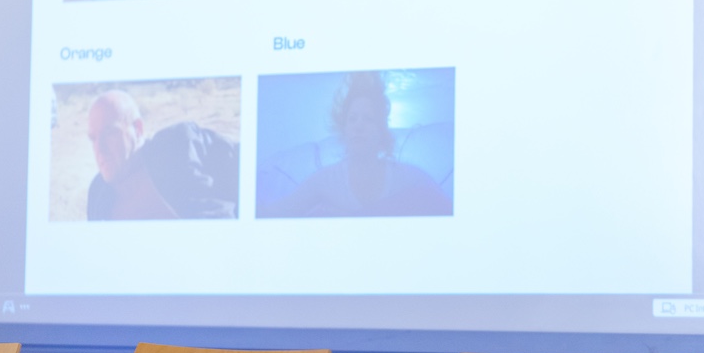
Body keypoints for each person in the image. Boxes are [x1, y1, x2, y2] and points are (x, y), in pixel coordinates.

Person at [260, 72, 451, 218]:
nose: (358, 125)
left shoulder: (410, 178)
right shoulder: (324, 181)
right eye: (352, 119)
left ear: (381, 131)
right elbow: (278, 211)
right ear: (344, 129)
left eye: (368, 119)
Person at [86, 90, 238, 220]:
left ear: (137, 129)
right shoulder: (98, 194)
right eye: (93, 138)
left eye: (110, 133)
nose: (100, 148)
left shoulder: (176, 149)